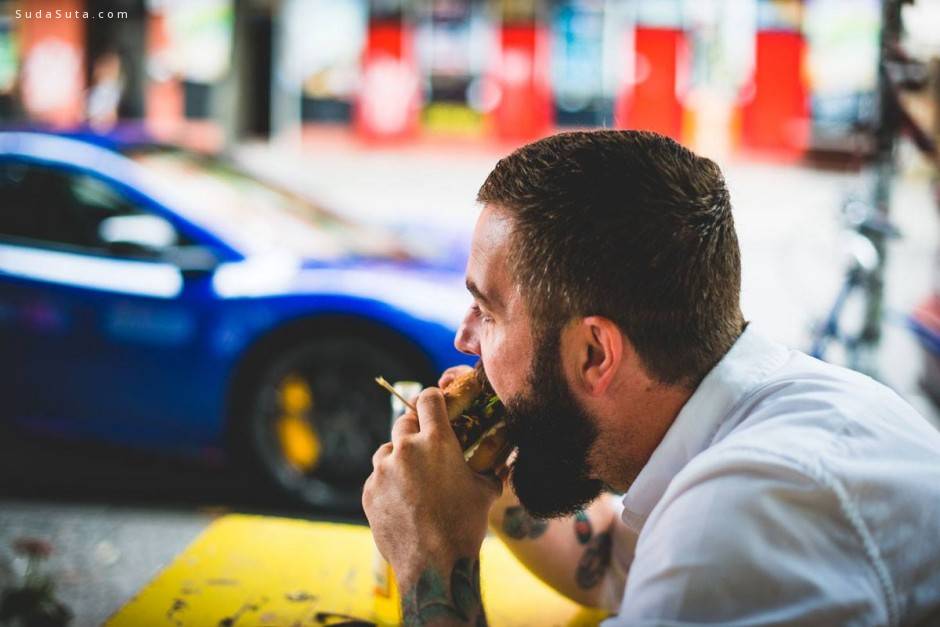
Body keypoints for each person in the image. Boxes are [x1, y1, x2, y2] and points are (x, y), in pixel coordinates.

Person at [362, 130, 940, 626]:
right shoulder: (757, 418)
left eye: (488, 312)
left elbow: (692, 564)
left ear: (594, 354)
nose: (466, 340)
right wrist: (476, 476)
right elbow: (617, 563)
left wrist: (432, 558)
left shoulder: (746, 519)